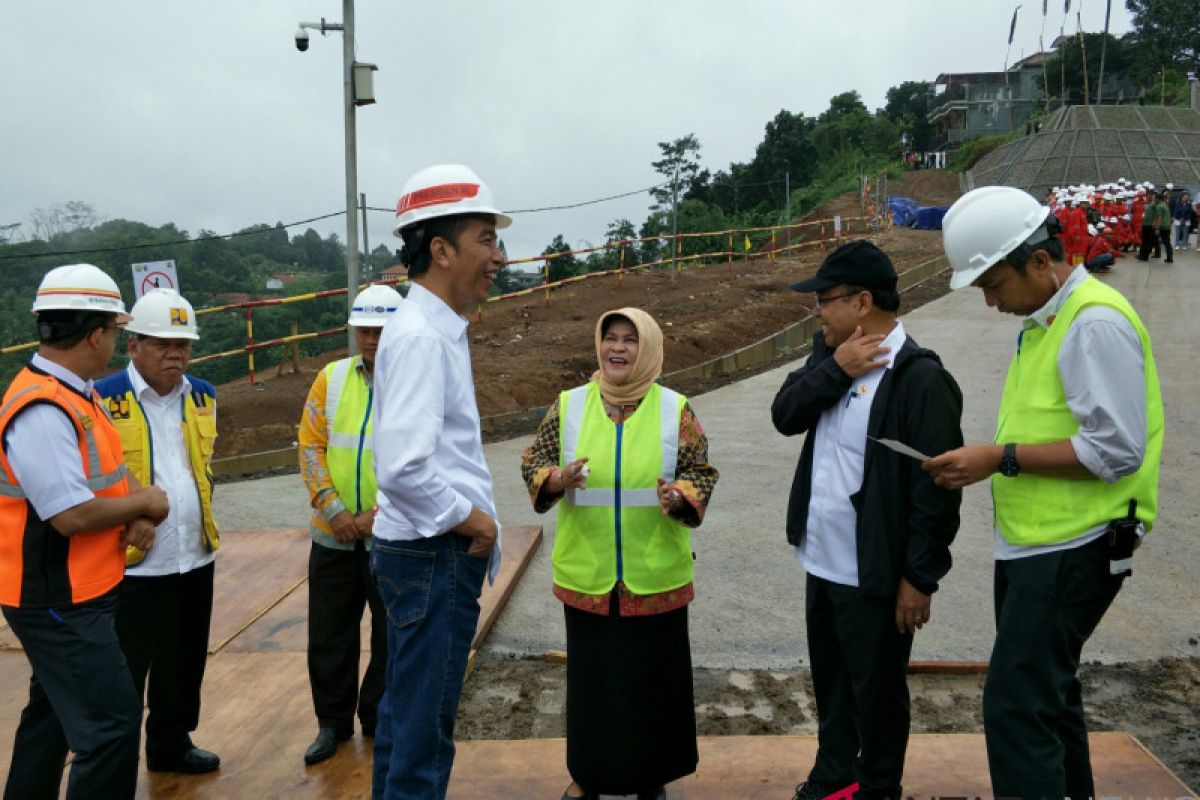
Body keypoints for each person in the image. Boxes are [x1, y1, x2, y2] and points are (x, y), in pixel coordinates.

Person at [927, 186, 1163, 800]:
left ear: (1039, 261)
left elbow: (1115, 449)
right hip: (1040, 545)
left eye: (993, 284)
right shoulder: (1047, 320)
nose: (988, 301)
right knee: (1049, 700)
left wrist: (997, 458)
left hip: (1076, 546)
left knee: (1016, 706)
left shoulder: (1094, 323)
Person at [771, 240, 964, 800]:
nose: (816, 310)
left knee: (877, 695)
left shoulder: (920, 379)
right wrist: (834, 369)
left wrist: (919, 578)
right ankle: (834, 776)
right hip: (822, 562)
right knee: (832, 685)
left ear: (861, 302)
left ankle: (879, 788)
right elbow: (785, 415)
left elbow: (938, 497)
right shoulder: (829, 357)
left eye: (824, 299)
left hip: (876, 574)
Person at [520, 307, 719, 800]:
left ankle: (650, 781)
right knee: (594, 690)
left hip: (656, 578)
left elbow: (702, 470)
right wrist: (556, 479)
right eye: (610, 338)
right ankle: (590, 778)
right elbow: (533, 463)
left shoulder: (675, 408)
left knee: (652, 687)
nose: (618, 348)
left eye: (630, 340)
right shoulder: (568, 406)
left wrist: (681, 497)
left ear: (647, 348)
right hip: (589, 576)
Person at [0, 264, 169, 799]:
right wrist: (147, 501)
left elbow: (111, 474)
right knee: (110, 726)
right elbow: (69, 514)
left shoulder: (77, 393)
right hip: (56, 598)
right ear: (96, 334)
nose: (115, 344)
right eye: (116, 332)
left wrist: (138, 509)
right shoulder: (42, 409)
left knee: (52, 713)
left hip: (82, 589)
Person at [369, 164, 507, 799]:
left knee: (404, 720)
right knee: (422, 739)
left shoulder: (432, 330)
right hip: (434, 554)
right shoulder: (423, 336)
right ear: (441, 250)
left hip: (420, 553)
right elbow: (403, 467)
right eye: (486, 239)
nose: (498, 257)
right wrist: (472, 519)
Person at [96, 288, 221, 775]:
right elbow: (89, 477)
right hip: (131, 566)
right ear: (132, 346)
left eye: (183, 345)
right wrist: (130, 512)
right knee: (126, 670)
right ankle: (115, 762)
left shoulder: (204, 395)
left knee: (184, 662)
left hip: (193, 556)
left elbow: (201, 470)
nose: (176, 354)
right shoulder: (104, 400)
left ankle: (171, 744)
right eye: (162, 344)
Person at [296, 283, 401, 765]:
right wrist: (335, 510)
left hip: (392, 536)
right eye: (365, 331)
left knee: (390, 633)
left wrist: (374, 517)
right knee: (329, 634)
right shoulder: (331, 379)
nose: (372, 341)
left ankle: (378, 719)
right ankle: (331, 724)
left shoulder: (411, 384)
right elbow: (310, 444)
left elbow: (423, 460)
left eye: (381, 331)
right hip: (333, 534)